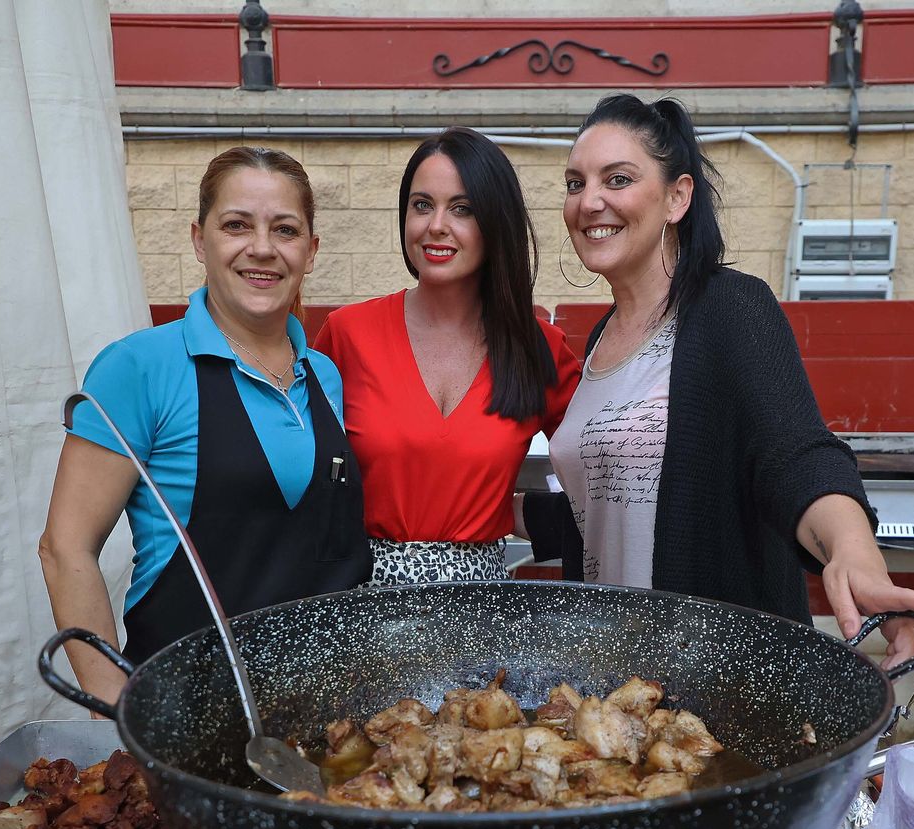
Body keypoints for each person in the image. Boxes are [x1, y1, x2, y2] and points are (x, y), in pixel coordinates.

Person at [521, 95, 914, 673]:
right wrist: (485, 508)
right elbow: (611, 504)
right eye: (575, 183)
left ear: (678, 197)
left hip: (717, 683)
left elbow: (796, 454)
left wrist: (854, 553)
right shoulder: (597, 340)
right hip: (611, 680)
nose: (589, 201)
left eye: (617, 179)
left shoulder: (730, 307)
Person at [40, 146, 370, 702]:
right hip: (187, 703)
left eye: (284, 230)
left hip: (326, 707)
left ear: (310, 251)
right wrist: (116, 710)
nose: (261, 249)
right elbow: (64, 548)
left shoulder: (326, 376)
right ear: (200, 239)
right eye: (236, 225)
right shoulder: (139, 368)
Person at [315, 128, 582, 585]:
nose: (436, 225)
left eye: (463, 209)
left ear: (495, 223)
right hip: (362, 599)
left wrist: (529, 516)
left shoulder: (536, 347)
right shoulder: (348, 334)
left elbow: (611, 471)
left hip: (484, 607)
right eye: (422, 205)